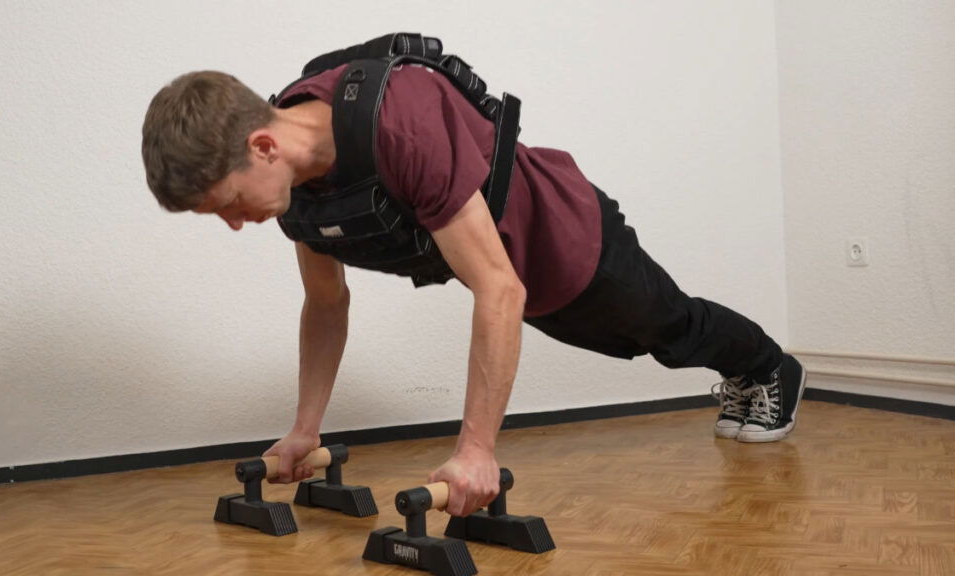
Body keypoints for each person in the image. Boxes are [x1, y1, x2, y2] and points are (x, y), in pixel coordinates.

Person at [141, 45, 806, 518]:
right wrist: (303, 429)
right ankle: (747, 373)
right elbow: (325, 302)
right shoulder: (296, 192)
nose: (234, 224)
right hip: (509, 273)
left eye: (228, 203)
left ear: (262, 147)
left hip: (570, 241)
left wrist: (476, 452)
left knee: (667, 328)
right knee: (641, 342)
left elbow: (501, 291)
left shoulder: (397, 119)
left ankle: (770, 368)